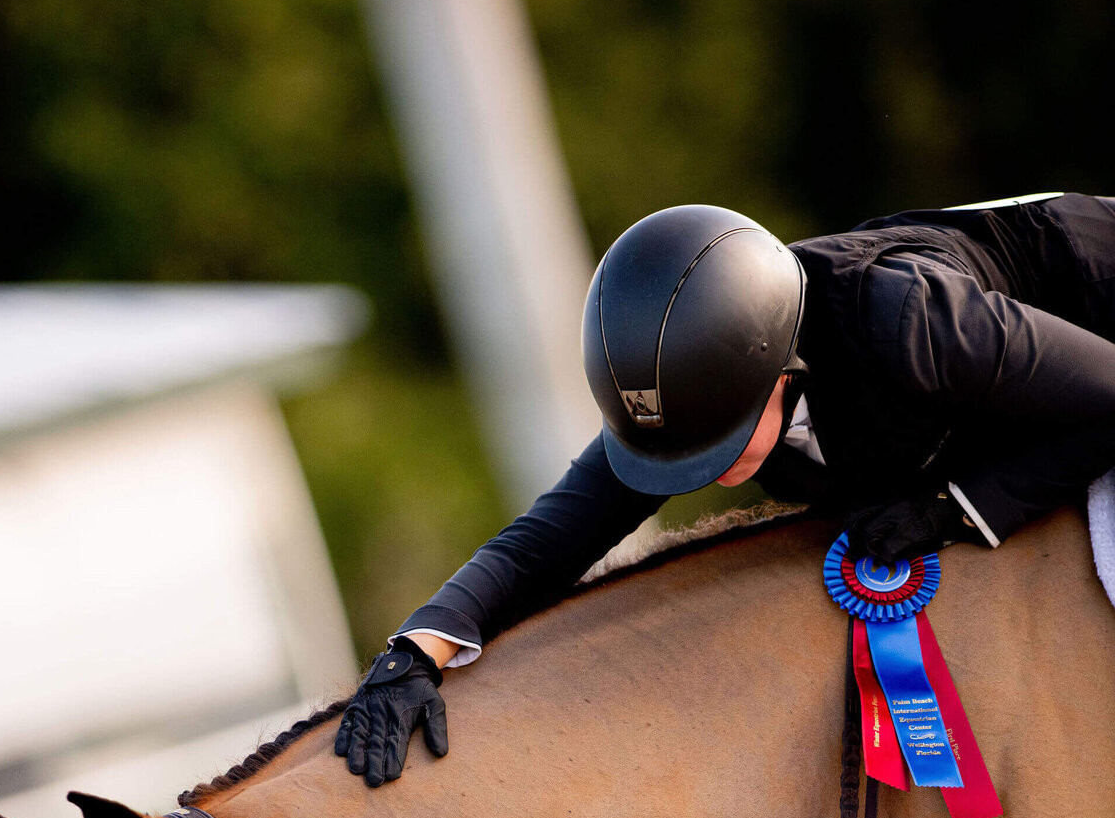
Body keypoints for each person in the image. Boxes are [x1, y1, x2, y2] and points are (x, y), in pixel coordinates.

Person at [336, 192, 1115, 787]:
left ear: (781, 368)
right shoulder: (688, 382)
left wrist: (956, 508)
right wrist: (416, 651)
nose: (698, 470)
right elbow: (545, 540)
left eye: (717, 442)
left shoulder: (909, 321)